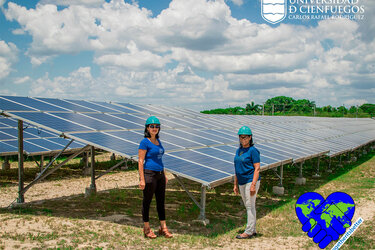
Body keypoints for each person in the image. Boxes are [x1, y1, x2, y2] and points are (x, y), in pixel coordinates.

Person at [138, 116, 173, 239]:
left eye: (157, 126)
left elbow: (159, 159)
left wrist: (164, 174)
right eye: (152, 126)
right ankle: (146, 228)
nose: (154, 128)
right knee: (147, 202)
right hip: (149, 174)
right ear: (147, 128)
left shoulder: (158, 141)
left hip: (160, 175)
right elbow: (141, 161)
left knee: (160, 202)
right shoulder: (144, 142)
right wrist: (142, 179)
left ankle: (163, 228)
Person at [233, 125, 261, 239]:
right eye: (241, 137)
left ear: (250, 138)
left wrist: (253, 185)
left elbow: (257, 168)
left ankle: (248, 231)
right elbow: (236, 168)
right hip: (241, 181)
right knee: (249, 206)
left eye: (245, 137)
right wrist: (235, 184)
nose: (243, 139)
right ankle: (252, 229)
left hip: (250, 180)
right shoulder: (239, 150)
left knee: (249, 206)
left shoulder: (253, 151)